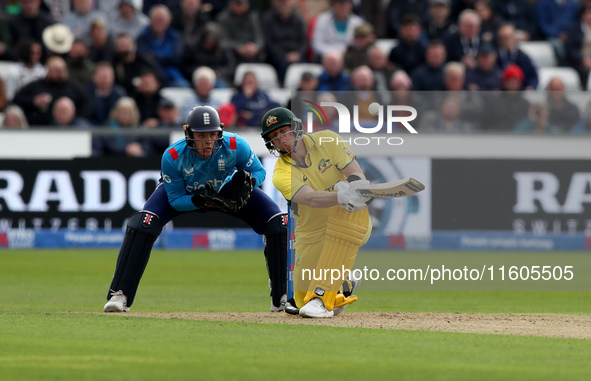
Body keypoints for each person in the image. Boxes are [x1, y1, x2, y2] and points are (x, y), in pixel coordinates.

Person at [104, 105, 288, 313]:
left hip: (225, 188)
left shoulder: (236, 144)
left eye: (213, 134)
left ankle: (281, 295)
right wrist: (199, 201)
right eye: (201, 135)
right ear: (189, 134)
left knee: (279, 223)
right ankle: (120, 294)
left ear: (220, 132)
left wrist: (248, 184)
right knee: (142, 224)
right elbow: (174, 199)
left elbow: (258, 171)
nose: (208, 141)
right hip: (186, 191)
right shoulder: (173, 155)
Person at [260, 107, 371, 318]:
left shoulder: (328, 140)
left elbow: (356, 173)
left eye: (283, 131)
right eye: (274, 137)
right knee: (299, 303)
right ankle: (343, 284)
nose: (280, 139)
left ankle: (322, 297)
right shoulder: (280, 173)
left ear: (296, 128)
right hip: (311, 234)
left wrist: (351, 187)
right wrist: (338, 197)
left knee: (315, 301)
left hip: (349, 222)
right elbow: (310, 198)